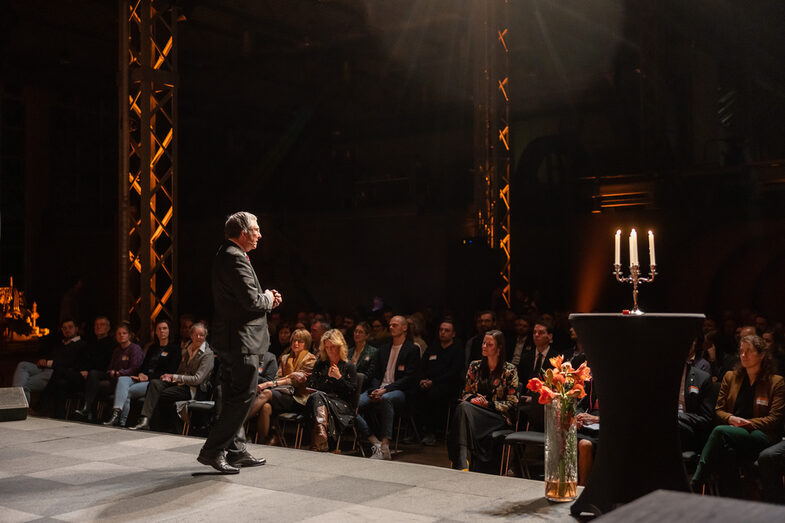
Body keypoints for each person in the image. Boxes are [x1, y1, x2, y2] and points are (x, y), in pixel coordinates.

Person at [198, 211, 282, 474]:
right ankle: (213, 451)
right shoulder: (235, 258)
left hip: (232, 339)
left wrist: (263, 297)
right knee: (243, 397)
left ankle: (235, 451)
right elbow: (252, 302)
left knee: (234, 396)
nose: (260, 234)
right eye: (256, 230)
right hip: (241, 341)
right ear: (243, 232)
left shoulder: (227, 254)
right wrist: (269, 298)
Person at [691, 335, 785, 496]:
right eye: (741, 351)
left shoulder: (776, 382)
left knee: (720, 432)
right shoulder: (730, 377)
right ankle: (733, 500)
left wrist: (747, 424)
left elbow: (775, 419)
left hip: (763, 435)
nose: (743, 355)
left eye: (749, 351)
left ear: (761, 354)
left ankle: (696, 482)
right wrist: (731, 418)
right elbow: (718, 410)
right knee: (725, 451)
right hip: (734, 432)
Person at [448, 329, 518, 472]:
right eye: (483, 343)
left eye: (489, 344)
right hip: (475, 412)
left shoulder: (509, 370)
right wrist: (476, 400)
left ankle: (460, 463)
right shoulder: (475, 366)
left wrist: (488, 404)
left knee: (463, 410)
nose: (484, 346)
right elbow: (466, 393)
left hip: (497, 417)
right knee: (463, 407)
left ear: (499, 348)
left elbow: (512, 403)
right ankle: (462, 462)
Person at [357, 315, 421, 460]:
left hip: (400, 391)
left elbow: (409, 378)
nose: (391, 327)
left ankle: (385, 445)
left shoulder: (412, 349)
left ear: (404, 328)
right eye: (390, 325)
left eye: (395, 325)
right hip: (380, 388)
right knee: (352, 404)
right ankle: (374, 441)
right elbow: (376, 374)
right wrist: (374, 389)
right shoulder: (384, 348)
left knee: (386, 398)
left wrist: (385, 390)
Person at [131, 322, 214, 432]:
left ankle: (156, 425)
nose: (199, 337)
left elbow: (197, 379)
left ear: (205, 336)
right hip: (181, 385)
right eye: (196, 334)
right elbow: (180, 370)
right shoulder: (189, 349)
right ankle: (145, 420)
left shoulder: (207, 354)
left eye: (202, 335)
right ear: (191, 335)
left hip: (194, 389)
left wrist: (175, 377)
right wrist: (170, 377)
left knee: (157, 394)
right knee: (155, 383)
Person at [105, 318, 181, 427]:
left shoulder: (175, 349)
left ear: (169, 331)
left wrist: (147, 377)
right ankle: (116, 414)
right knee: (122, 379)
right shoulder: (152, 348)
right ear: (155, 332)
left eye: (164, 328)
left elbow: (170, 371)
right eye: (159, 329)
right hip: (144, 378)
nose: (162, 331)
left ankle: (121, 421)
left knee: (127, 391)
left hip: (156, 382)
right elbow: (144, 366)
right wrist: (141, 373)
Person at [247, 328, 316, 445]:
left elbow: (296, 381)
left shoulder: (311, 359)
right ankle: (261, 443)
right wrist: (279, 381)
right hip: (283, 395)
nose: (296, 343)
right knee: (266, 408)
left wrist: (270, 384)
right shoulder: (285, 358)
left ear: (307, 343)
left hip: (299, 399)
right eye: (294, 340)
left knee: (267, 393)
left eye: (300, 341)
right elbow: (277, 378)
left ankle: (238, 425)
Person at [75, 322, 143, 422]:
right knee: (93, 374)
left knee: (97, 385)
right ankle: (87, 407)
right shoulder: (117, 350)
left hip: (127, 379)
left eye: (124, 333)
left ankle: (91, 413)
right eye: (119, 334)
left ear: (129, 335)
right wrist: (111, 371)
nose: (121, 336)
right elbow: (110, 367)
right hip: (114, 377)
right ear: (116, 336)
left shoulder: (135, 349)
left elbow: (134, 368)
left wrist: (119, 373)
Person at [305, 329, 357, 451]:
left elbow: (351, 392)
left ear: (340, 347)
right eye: (327, 347)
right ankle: (321, 431)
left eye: (333, 347)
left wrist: (338, 378)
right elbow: (312, 385)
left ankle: (320, 433)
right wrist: (328, 380)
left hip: (341, 403)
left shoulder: (348, 366)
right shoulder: (320, 364)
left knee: (317, 398)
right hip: (320, 400)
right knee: (317, 396)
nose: (330, 350)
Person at [14, 318, 84, 405]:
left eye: (70, 327)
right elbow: (50, 357)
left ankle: (19, 406)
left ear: (76, 329)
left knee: (22, 386)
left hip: (57, 373)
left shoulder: (80, 344)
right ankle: (18, 398)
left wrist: (48, 363)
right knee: (23, 365)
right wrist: (44, 360)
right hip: (46, 368)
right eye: (64, 328)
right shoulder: (60, 343)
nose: (67, 330)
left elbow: (69, 362)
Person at [417, 319, 464, 445]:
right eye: (441, 330)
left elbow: (454, 372)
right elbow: (422, 366)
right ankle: (417, 431)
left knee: (434, 395)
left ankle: (432, 432)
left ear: (453, 334)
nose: (442, 332)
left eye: (446, 330)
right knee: (414, 391)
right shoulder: (433, 347)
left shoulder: (457, 350)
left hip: (447, 384)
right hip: (429, 383)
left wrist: (433, 381)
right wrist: (422, 379)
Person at [347, 321, 379, 390]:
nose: (357, 334)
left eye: (360, 332)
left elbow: (369, 375)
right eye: (355, 331)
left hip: (364, 387)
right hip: (347, 385)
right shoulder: (348, 351)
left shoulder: (373, 352)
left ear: (367, 335)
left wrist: (353, 379)